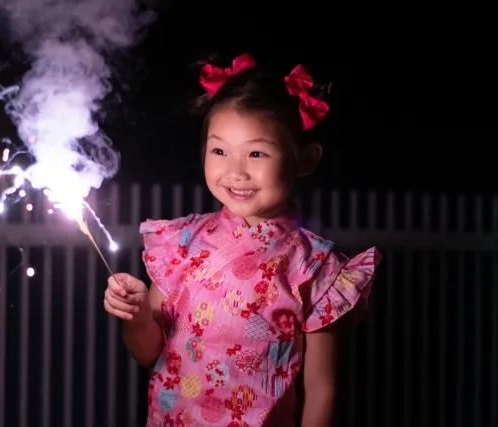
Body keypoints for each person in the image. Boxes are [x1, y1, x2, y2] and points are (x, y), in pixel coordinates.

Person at [104, 53, 381, 427]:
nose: (235, 170)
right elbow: (149, 352)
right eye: (219, 150)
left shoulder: (313, 266)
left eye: (257, 153)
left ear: (305, 159)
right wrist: (135, 316)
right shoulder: (181, 243)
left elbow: (321, 389)